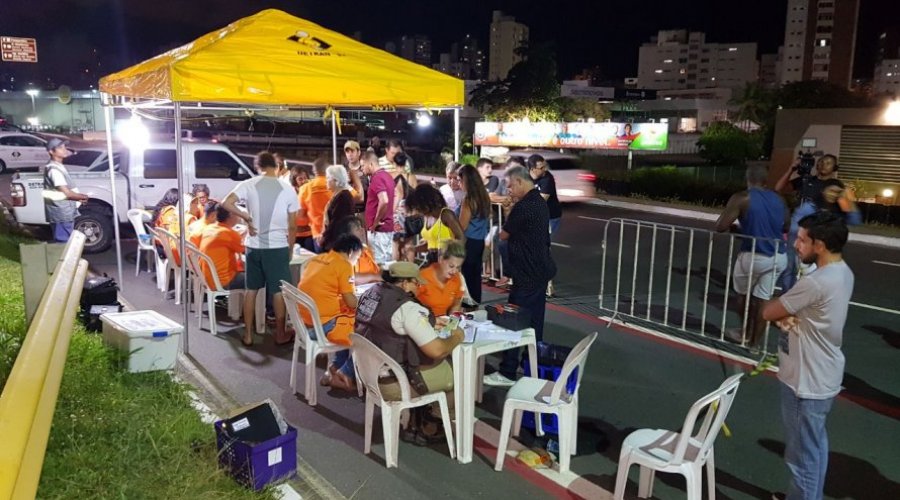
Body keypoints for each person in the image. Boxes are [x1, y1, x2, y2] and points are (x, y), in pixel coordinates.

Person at [762, 211, 853, 500]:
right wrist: (791, 315)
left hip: (806, 381)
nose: (796, 245)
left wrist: (783, 313)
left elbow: (768, 310)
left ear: (821, 245)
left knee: (802, 460)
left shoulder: (817, 282)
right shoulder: (842, 271)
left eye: (802, 240)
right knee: (814, 450)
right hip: (820, 374)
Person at [355, 261, 464, 444]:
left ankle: (418, 418)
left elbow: (387, 326)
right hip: (394, 383)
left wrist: (428, 323)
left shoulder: (370, 294)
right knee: (459, 372)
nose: (418, 287)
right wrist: (457, 337)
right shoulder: (407, 308)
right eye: (416, 283)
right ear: (405, 283)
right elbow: (437, 350)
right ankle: (431, 424)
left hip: (369, 375)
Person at [485, 165, 557, 387]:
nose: (508, 191)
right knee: (535, 323)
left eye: (509, 186)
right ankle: (530, 366)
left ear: (518, 181)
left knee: (514, 321)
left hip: (526, 273)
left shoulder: (524, 206)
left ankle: (507, 371)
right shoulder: (539, 203)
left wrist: (509, 211)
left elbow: (505, 234)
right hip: (539, 270)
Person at [222, 151, 299, 347]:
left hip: (253, 246)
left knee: (251, 290)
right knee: (278, 291)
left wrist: (246, 217)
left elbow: (226, 203)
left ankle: (248, 334)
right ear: (277, 167)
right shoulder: (287, 188)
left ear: (258, 167)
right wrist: (290, 248)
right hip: (276, 247)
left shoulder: (248, 184)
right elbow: (292, 225)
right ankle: (280, 334)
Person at [715, 164, 789, 347]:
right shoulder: (778, 199)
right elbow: (785, 227)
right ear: (766, 180)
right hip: (778, 255)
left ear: (747, 179)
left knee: (742, 295)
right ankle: (754, 343)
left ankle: (745, 332)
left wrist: (738, 227)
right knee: (762, 300)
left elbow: (720, 226)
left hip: (754, 254)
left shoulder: (742, 197)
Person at [298, 234, 364, 392]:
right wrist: (365, 303)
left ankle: (335, 366)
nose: (356, 261)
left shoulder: (317, 259)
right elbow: (350, 301)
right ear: (350, 253)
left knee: (346, 319)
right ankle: (345, 373)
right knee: (364, 330)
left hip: (304, 325)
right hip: (323, 327)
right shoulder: (343, 265)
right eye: (357, 257)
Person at [776, 154, 840, 291]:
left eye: (828, 163)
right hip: (797, 230)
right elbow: (779, 188)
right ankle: (787, 295)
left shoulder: (835, 186)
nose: (823, 164)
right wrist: (791, 169)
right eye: (821, 161)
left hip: (817, 233)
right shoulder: (806, 180)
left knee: (812, 267)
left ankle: (809, 298)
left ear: (834, 168)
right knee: (789, 265)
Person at [404, 184, 466, 264]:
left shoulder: (446, 214)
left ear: (425, 203)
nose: (417, 210)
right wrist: (413, 249)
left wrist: (447, 251)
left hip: (446, 262)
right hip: (432, 260)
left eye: (418, 207)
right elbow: (430, 245)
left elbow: (461, 238)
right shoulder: (427, 218)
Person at [528, 154, 562, 297]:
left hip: (550, 218)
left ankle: (547, 283)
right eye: (540, 168)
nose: (543, 170)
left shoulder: (548, 179)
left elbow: (540, 201)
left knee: (543, 248)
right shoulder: (526, 177)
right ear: (532, 169)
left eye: (544, 166)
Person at [42, 138, 88, 242]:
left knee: (64, 242)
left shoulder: (58, 166)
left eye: (64, 147)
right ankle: (62, 258)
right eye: (60, 148)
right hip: (61, 214)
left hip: (63, 211)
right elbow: (66, 193)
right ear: (51, 152)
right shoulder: (54, 170)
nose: (64, 149)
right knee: (63, 243)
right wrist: (83, 197)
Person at [457, 164, 491, 305]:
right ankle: (475, 307)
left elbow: (462, 226)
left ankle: (467, 310)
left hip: (468, 242)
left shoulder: (469, 200)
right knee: (475, 278)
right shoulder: (484, 197)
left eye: (460, 180)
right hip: (479, 242)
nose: (459, 184)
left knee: (465, 279)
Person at [198, 204, 246, 291]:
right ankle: (258, 304)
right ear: (231, 215)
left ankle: (232, 304)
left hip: (207, 278)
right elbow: (245, 250)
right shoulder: (229, 233)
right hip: (223, 281)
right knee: (256, 280)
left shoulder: (209, 228)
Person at [323, 215, 382, 285]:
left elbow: (374, 268)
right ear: (348, 234)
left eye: (361, 227)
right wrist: (374, 277)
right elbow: (349, 278)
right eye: (357, 229)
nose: (362, 230)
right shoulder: (345, 253)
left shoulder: (365, 248)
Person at [416, 240, 466, 317]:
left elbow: (456, 303)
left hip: (443, 322)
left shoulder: (456, 278)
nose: (454, 271)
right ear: (441, 259)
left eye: (458, 267)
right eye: (451, 266)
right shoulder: (423, 277)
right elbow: (409, 306)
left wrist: (451, 323)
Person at [362, 150, 395, 265]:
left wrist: (375, 222)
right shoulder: (387, 176)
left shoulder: (377, 178)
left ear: (371, 164)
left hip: (379, 230)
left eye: (363, 165)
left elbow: (384, 200)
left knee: (378, 264)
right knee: (387, 263)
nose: (362, 169)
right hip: (387, 227)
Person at [298, 157, 331, 252]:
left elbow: (300, 215)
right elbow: (358, 198)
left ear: (314, 171)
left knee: (321, 264)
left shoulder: (305, 189)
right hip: (337, 234)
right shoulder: (336, 184)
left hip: (318, 235)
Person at [320, 165, 356, 249]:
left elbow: (336, 222)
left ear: (336, 180)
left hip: (338, 241)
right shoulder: (338, 195)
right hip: (335, 239)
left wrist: (324, 237)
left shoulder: (343, 197)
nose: (326, 181)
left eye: (328, 178)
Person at [289, 163, 315, 252]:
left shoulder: (311, 191)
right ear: (294, 180)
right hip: (294, 234)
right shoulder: (289, 194)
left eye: (305, 178)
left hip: (310, 233)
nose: (303, 181)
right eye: (300, 179)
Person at [341, 140, 366, 204]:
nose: (350, 154)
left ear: (359, 152)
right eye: (347, 152)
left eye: (352, 151)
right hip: (347, 209)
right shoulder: (342, 170)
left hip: (363, 209)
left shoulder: (365, 168)